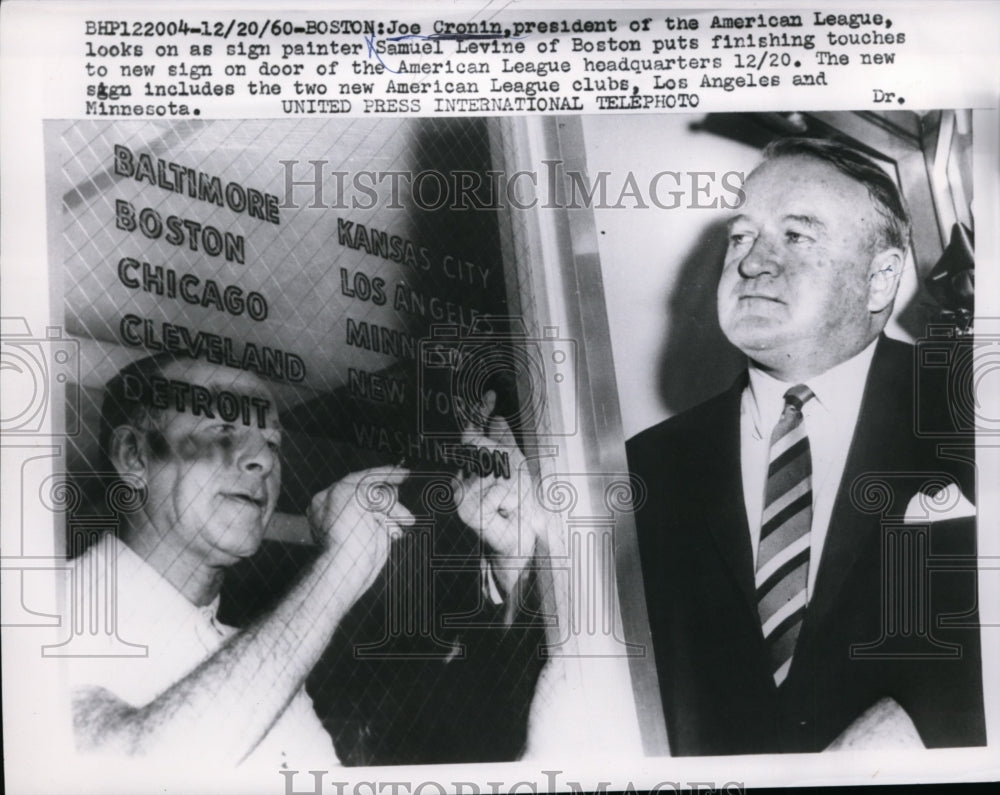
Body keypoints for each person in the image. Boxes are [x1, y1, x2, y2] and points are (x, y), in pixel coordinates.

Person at [626, 137, 985, 756]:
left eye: (796, 236)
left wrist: (922, 720)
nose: (751, 263)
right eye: (741, 237)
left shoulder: (975, 415)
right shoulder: (649, 463)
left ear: (880, 279)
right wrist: (517, 570)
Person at [67, 352, 544, 769]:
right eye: (223, 428)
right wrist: (341, 568)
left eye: (272, 442)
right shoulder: (48, 610)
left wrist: (515, 564)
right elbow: (127, 770)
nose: (263, 461)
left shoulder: (260, 665)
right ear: (133, 456)